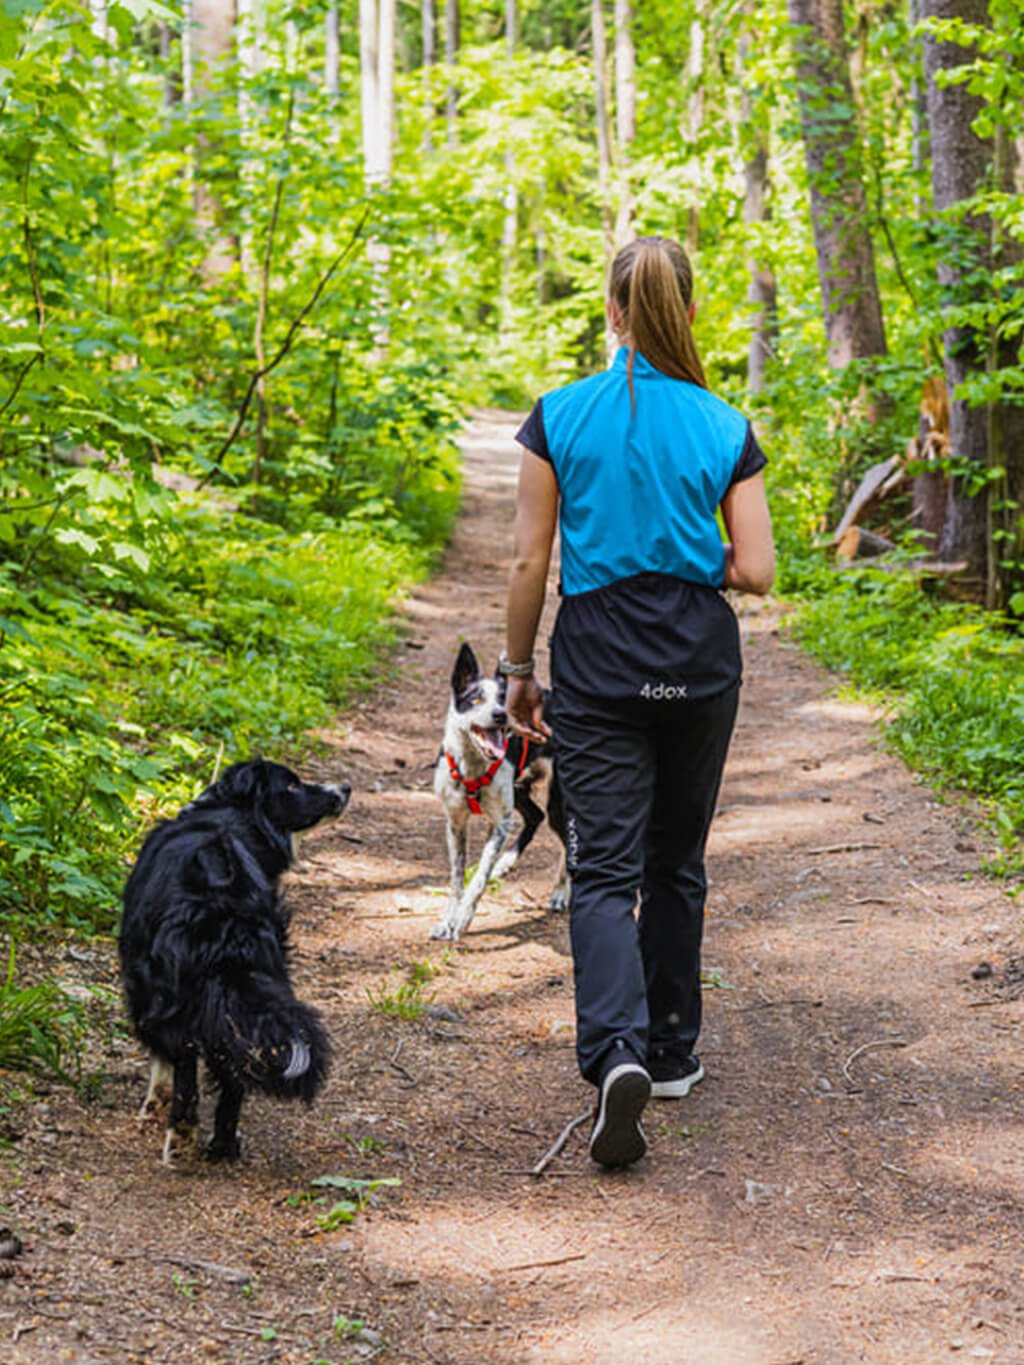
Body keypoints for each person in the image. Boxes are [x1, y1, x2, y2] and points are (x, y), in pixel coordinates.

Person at [500, 234, 775, 1169]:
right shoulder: (724, 424)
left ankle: (613, 1050)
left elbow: (531, 559)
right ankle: (671, 1051)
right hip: (698, 659)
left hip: (599, 658)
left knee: (603, 865)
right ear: (687, 313)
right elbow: (760, 570)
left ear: (612, 313)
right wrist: (698, 562)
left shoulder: (557, 415)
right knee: (677, 859)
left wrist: (518, 671)